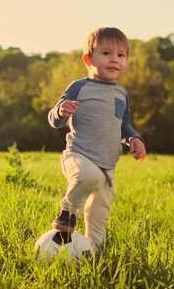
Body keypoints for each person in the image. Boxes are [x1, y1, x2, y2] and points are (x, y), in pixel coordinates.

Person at [47, 27, 147, 251]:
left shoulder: (121, 94)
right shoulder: (79, 87)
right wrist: (62, 110)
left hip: (108, 167)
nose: (114, 60)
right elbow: (54, 118)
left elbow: (123, 125)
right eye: (106, 53)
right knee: (87, 176)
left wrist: (134, 139)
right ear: (88, 58)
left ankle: (94, 252)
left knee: (99, 213)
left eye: (121, 55)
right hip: (78, 156)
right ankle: (67, 213)